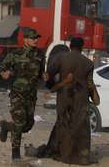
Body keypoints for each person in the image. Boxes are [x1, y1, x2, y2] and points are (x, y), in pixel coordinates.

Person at [40, 37, 98, 165]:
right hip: (82, 98)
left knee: (64, 124)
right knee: (81, 125)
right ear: (82, 47)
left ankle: (64, 155)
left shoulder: (61, 58)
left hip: (65, 96)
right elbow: (90, 84)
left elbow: (49, 74)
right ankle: (82, 156)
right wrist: (94, 97)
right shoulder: (88, 63)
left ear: (70, 46)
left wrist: (52, 86)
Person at [0, 27, 45, 161]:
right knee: (19, 123)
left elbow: (41, 72)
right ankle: (15, 155)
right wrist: (3, 74)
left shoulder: (40, 55)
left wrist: (44, 76)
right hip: (17, 94)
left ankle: (6, 126)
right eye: (33, 38)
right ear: (25, 39)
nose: (36, 40)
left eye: (37, 38)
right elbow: (2, 68)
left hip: (31, 95)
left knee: (28, 125)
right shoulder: (15, 54)